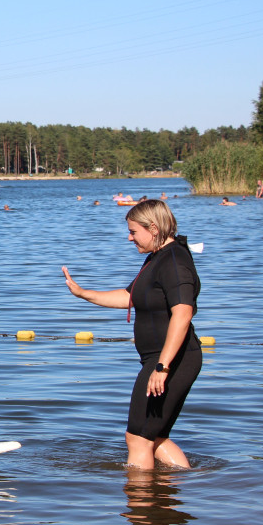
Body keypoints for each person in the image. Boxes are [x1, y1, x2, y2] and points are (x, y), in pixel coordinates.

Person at [61, 200, 201, 470]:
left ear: (153, 228)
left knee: (137, 438)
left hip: (170, 361)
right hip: (162, 360)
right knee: (154, 437)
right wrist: (83, 293)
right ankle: (188, 487)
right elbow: (130, 296)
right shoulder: (157, 258)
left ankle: (139, 506)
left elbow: (183, 314)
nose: (129, 237)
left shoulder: (174, 261)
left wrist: (162, 367)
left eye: (133, 232)